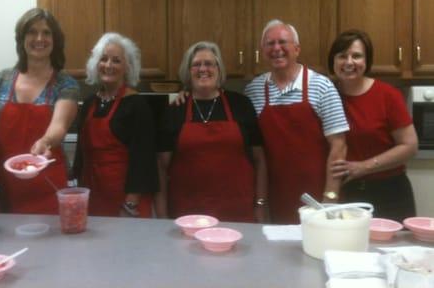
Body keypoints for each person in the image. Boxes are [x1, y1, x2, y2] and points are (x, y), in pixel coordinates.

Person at [244, 19, 349, 224]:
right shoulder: (253, 90)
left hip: (317, 198)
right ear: (262, 50)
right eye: (270, 43)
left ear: (297, 48)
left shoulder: (322, 86)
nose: (276, 49)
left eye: (283, 42)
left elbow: (339, 145)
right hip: (272, 197)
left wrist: (330, 199)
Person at [156, 41, 266, 222]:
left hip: (238, 212)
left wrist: (260, 205)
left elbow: (259, 160)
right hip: (187, 215)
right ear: (188, 71)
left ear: (219, 69)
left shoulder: (241, 104)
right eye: (196, 64)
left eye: (209, 63)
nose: (203, 69)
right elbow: (160, 167)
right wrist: (161, 216)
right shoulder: (176, 109)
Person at [0, 8, 79, 214]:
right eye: (32, 32)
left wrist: (45, 142)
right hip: (4, 181)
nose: (39, 38)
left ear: (55, 40)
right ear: (21, 38)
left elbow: (59, 126)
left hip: (47, 181)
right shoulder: (2, 78)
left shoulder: (66, 84)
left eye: (46, 33)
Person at [328, 29, 417, 221]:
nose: (349, 62)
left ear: (366, 61)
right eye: (342, 56)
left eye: (357, 56)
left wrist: (363, 167)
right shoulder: (326, 95)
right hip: (347, 193)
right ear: (333, 61)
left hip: (389, 192)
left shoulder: (387, 95)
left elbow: (410, 146)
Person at [73, 32, 158, 218]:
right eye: (103, 59)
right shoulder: (89, 104)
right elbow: (81, 153)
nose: (108, 65)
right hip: (93, 197)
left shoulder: (136, 105)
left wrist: (130, 203)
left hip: (126, 202)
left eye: (116, 61)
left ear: (127, 67)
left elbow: (144, 161)